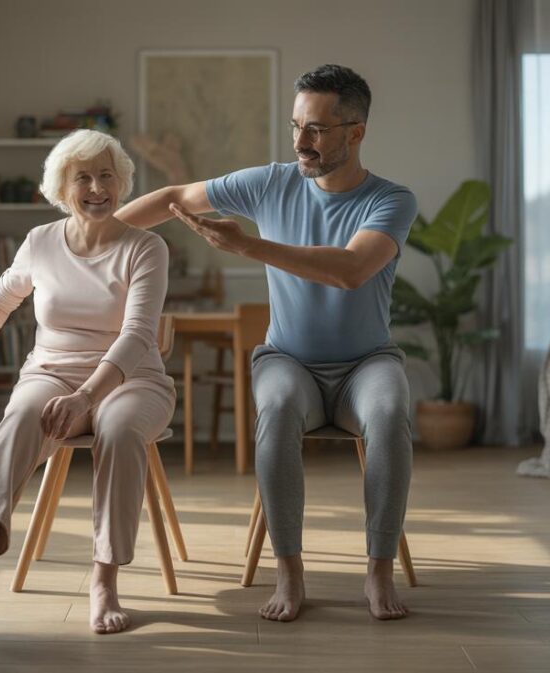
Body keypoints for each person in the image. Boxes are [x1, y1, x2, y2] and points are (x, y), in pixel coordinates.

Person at [116, 64, 417, 622]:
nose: (301, 141)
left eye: (318, 129)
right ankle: (289, 570)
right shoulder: (270, 182)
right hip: (289, 362)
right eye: (296, 125)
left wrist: (252, 248)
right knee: (275, 408)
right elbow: (174, 197)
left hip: (366, 364)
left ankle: (378, 571)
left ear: (356, 133)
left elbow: (351, 269)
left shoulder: (391, 200)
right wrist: (91, 241)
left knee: (392, 407)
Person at [0, 130, 175, 635]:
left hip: (134, 380)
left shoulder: (146, 248)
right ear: (62, 187)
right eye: (84, 177)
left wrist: (85, 397)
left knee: (119, 431)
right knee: (21, 414)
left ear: (121, 183)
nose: (97, 187)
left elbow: (139, 334)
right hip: (52, 370)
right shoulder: (41, 242)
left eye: (107, 176)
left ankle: (104, 581)